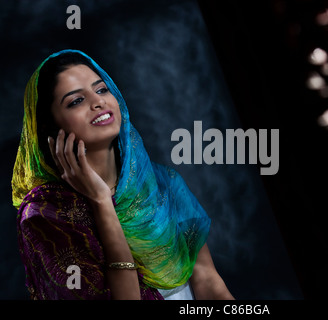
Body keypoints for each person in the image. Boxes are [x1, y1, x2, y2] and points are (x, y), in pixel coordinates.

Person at [11, 49, 234, 300]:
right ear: (50, 128)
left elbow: (207, 279)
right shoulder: (47, 215)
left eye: (102, 89)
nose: (98, 102)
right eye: (76, 101)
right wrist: (102, 202)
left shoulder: (161, 183)